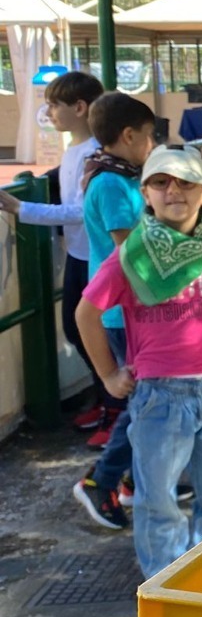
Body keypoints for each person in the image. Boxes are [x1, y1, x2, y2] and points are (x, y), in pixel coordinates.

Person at [75, 145, 202, 578]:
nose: (173, 189)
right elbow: (86, 313)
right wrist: (109, 374)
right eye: (160, 181)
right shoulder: (130, 258)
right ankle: (167, 583)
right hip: (160, 396)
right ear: (146, 194)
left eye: (186, 182)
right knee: (158, 501)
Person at [72, 91, 158, 530]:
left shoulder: (118, 176)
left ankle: (131, 480)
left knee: (149, 397)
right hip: (123, 312)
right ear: (128, 136)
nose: (151, 145)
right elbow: (131, 250)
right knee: (145, 401)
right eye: (148, 136)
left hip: (131, 309)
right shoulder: (110, 183)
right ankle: (100, 480)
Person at [0, 69, 106, 423]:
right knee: (78, 331)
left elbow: (82, 211)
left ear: (79, 107)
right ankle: (107, 397)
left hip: (95, 258)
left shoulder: (94, 154)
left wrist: (23, 208)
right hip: (78, 254)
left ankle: (113, 405)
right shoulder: (76, 150)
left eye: (54, 104)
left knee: (90, 332)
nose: (49, 112)